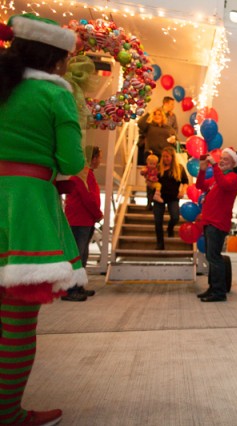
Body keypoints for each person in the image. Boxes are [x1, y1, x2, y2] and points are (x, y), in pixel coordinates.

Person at [0, 13, 84, 425]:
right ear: (56, 58)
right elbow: (71, 160)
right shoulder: (54, 95)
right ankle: (9, 414)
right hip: (26, 211)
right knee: (15, 328)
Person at [195, 147, 237, 302]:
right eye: (221, 158)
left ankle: (219, 292)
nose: (221, 161)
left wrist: (214, 166)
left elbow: (225, 185)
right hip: (209, 222)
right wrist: (202, 170)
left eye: (226, 159)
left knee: (214, 257)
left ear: (233, 163)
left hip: (218, 223)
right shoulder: (216, 178)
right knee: (211, 257)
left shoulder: (232, 178)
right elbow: (200, 185)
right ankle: (213, 288)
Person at [62, 145, 104, 302]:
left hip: (85, 220)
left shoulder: (86, 175)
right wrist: (97, 214)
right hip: (79, 220)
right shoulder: (81, 176)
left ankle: (78, 285)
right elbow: (87, 197)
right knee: (77, 255)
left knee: (83, 254)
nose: (100, 160)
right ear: (93, 158)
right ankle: (70, 289)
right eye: (99, 157)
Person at [153, 146, 189, 250]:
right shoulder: (158, 167)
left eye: (167, 157)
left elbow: (185, 182)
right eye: (163, 157)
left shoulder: (179, 168)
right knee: (158, 221)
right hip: (159, 197)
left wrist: (182, 191)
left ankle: (170, 228)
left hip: (173, 197)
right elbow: (151, 180)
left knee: (175, 217)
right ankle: (160, 243)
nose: (165, 159)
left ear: (172, 157)